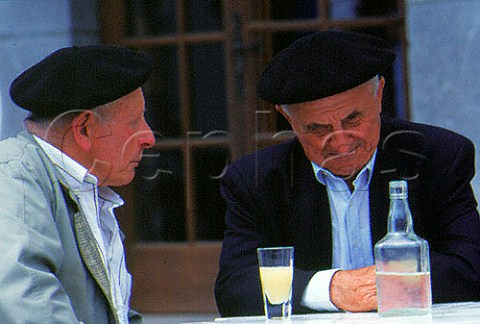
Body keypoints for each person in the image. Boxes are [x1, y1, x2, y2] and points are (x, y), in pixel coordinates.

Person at [215, 30, 480, 316]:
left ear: (379, 93)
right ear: (287, 117)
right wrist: (332, 288)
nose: (340, 142)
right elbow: (234, 288)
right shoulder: (256, 179)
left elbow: (471, 267)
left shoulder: (438, 156)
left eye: (353, 119)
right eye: (318, 129)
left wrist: (386, 284)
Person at [0, 45, 155, 323]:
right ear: (84, 128)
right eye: (134, 122)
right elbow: (29, 303)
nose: (148, 137)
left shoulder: (84, 186)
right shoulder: (13, 175)